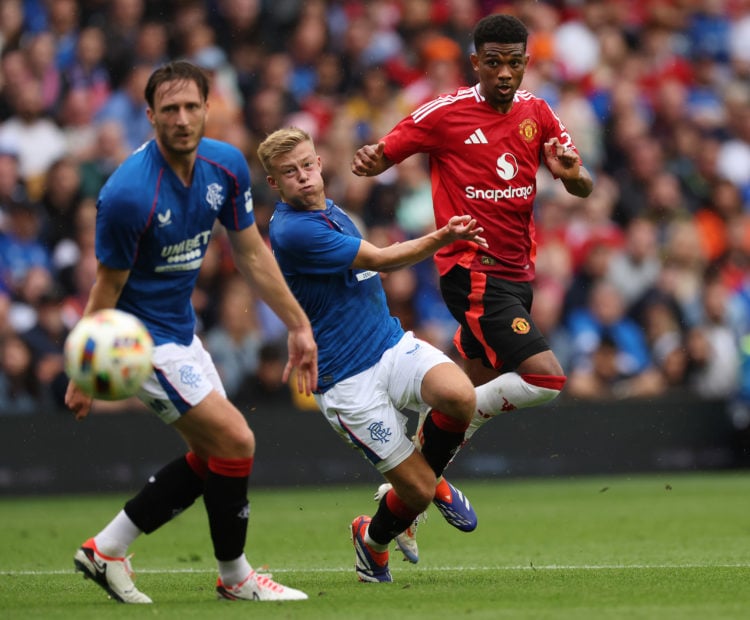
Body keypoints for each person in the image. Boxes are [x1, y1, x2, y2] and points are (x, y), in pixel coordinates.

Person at [64, 61, 317, 604]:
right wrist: (83, 370)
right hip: (138, 341)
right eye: (170, 109)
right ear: (150, 115)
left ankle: (106, 550)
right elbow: (105, 288)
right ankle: (236, 578)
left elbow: (249, 250)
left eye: (191, 107)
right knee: (236, 440)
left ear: (209, 108)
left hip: (183, 329)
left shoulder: (224, 165)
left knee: (214, 456)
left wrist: (298, 324)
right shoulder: (128, 194)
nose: (182, 119)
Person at [351, 14, 593, 450]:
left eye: (515, 63)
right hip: (473, 270)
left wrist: (573, 176)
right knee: (546, 377)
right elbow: (387, 152)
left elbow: (583, 184)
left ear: (525, 62)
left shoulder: (537, 112)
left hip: (519, 273)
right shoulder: (445, 113)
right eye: (494, 62)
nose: (505, 73)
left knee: (460, 405)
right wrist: (372, 158)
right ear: (475, 61)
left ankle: (395, 510)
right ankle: (464, 416)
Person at [257, 127, 486, 583]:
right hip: (348, 382)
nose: (302, 176)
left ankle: (428, 478)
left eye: (306, 165)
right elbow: (381, 260)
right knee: (416, 492)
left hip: (388, 344)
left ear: (319, 163)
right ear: (274, 184)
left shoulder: (330, 209)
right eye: (289, 172)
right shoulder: (294, 229)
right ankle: (373, 539)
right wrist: (442, 236)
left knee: (460, 396)